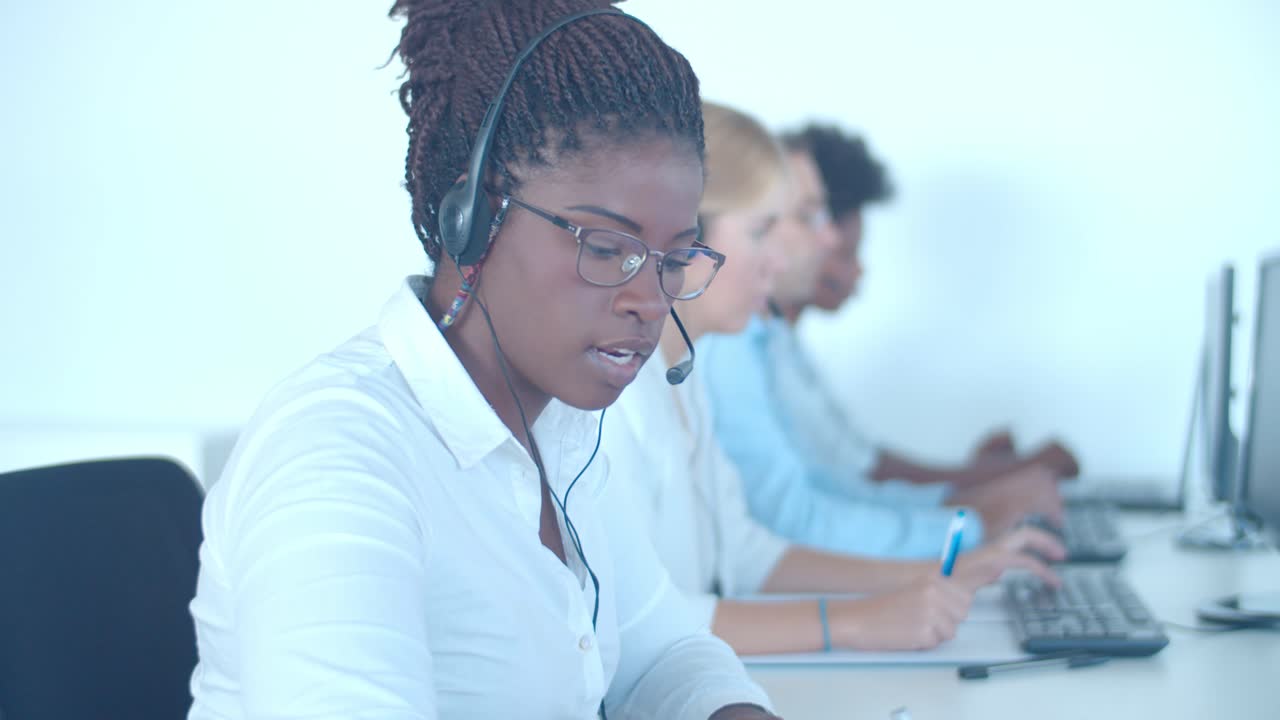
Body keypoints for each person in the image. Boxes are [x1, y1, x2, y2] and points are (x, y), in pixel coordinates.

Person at [187, 3, 779, 719]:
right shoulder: (337, 457)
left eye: (675, 259)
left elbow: (665, 655)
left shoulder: (562, 439)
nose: (650, 300)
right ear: (473, 222)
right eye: (605, 249)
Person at [606, 101, 1065, 656]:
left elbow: (750, 552)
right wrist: (852, 622)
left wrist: (951, 568)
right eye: (761, 231)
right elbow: (635, 622)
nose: (779, 261)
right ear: (684, 237)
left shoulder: (685, 377)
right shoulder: (616, 399)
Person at [697, 132, 1067, 560]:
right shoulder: (727, 346)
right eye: (803, 218)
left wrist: (967, 505)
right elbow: (791, 520)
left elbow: (823, 486)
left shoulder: (756, 340)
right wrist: (968, 521)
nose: (829, 241)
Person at [781, 124, 1081, 498]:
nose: (857, 271)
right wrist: (1003, 478)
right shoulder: (742, 348)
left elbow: (863, 469)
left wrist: (983, 475)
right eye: (847, 254)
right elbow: (865, 481)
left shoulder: (783, 347)